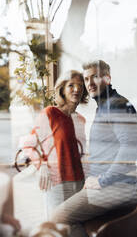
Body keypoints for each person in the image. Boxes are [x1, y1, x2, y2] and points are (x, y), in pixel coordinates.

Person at [50, 60, 137, 237]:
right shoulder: (104, 106)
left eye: (95, 77)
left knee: (57, 217)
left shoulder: (116, 104)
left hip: (116, 186)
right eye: (86, 79)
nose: (89, 84)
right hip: (109, 183)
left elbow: (131, 148)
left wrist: (102, 180)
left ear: (107, 78)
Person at [17, 70, 88, 220]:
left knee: (77, 225)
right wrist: (41, 165)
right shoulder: (50, 114)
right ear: (62, 89)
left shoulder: (80, 119)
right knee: (57, 227)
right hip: (57, 183)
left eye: (80, 86)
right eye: (71, 85)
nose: (77, 89)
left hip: (80, 182)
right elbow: (28, 145)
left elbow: (80, 152)